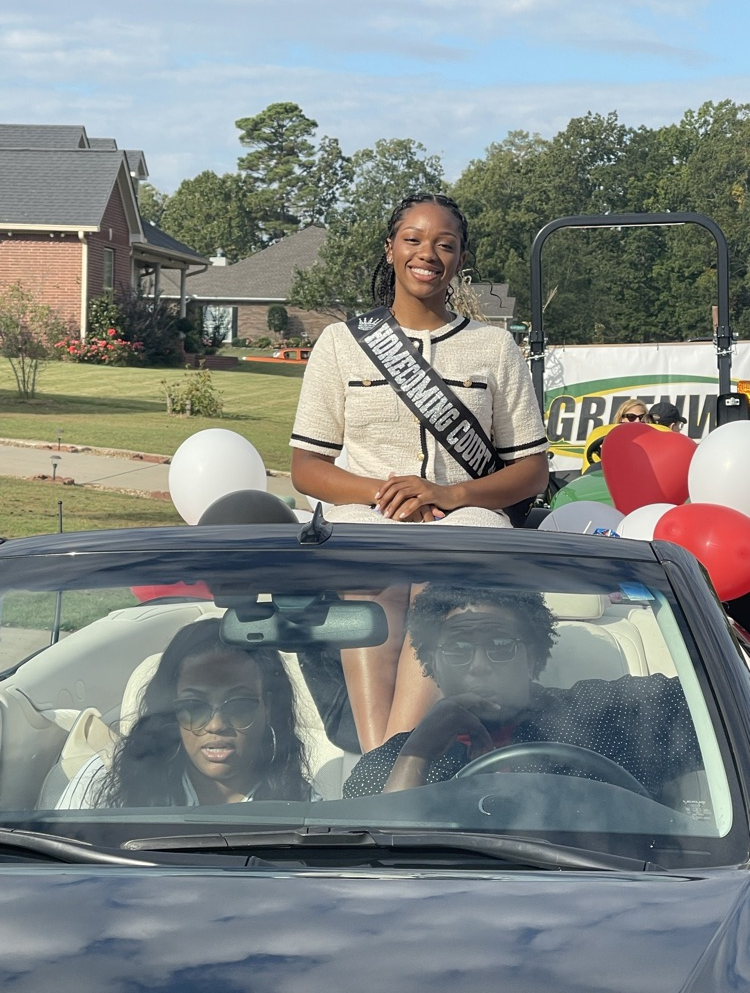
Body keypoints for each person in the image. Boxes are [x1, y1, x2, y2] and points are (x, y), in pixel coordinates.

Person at [289, 193, 549, 752]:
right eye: (413, 239)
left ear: (460, 260)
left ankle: (393, 760)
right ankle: (382, 758)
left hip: (465, 518)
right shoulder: (341, 343)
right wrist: (387, 493)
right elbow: (306, 468)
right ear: (390, 249)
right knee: (369, 570)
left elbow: (531, 471)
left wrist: (448, 494)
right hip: (368, 516)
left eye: (444, 244)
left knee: (445, 589)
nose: (427, 253)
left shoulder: (494, 347)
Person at [343, 584, 702, 800]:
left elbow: (716, 706)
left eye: (500, 646)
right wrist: (418, 754)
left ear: (533, 656)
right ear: (432, 665)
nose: (479, 665)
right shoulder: (393, 760)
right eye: (458, 650)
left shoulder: (604, 714)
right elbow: (379, 863)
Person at [56, 619, 313, 808]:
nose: (216, 725)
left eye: (238, 705)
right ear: (171, 711)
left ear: (267, 707)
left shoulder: (305, 809)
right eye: (193, 706)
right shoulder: (105, 781)